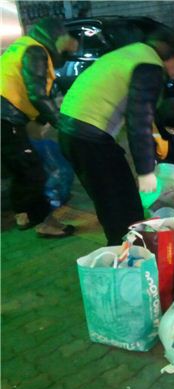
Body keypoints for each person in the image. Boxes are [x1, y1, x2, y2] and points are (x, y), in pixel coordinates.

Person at [58, 28, 174, 245]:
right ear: (169, 56)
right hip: (90, 138)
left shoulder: (133, 53)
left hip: (73, 132)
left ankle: (124, 253)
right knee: (123, 210)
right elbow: (139, 121)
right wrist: (145, 171)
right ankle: (128, 261)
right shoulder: (150, 67)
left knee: (111, 204)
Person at [1, 17, 78, 237]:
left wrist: (41, 120)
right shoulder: (36, 51)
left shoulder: (24, 46)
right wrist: (61, 124)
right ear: (55, 37)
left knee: (21, 170)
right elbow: (37, 94)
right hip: (5, 119)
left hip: (7, 119)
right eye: (65, 41)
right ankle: (44, 223)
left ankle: (23, 214)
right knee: (32, 172)